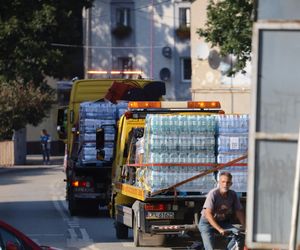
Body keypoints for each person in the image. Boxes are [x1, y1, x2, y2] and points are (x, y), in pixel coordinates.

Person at [198, 171, 246, 250]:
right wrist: (219, 229)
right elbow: (207, 214)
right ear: (219, 183)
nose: (225, 185)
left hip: (221, 222)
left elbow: (239, 211)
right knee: (210, 248)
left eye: (228, 182)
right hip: (207, 223)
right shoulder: (213, 194)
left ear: (231, 184)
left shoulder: (233, 194)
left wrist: (244, 226)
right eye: (223, 182)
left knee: (240, 235)